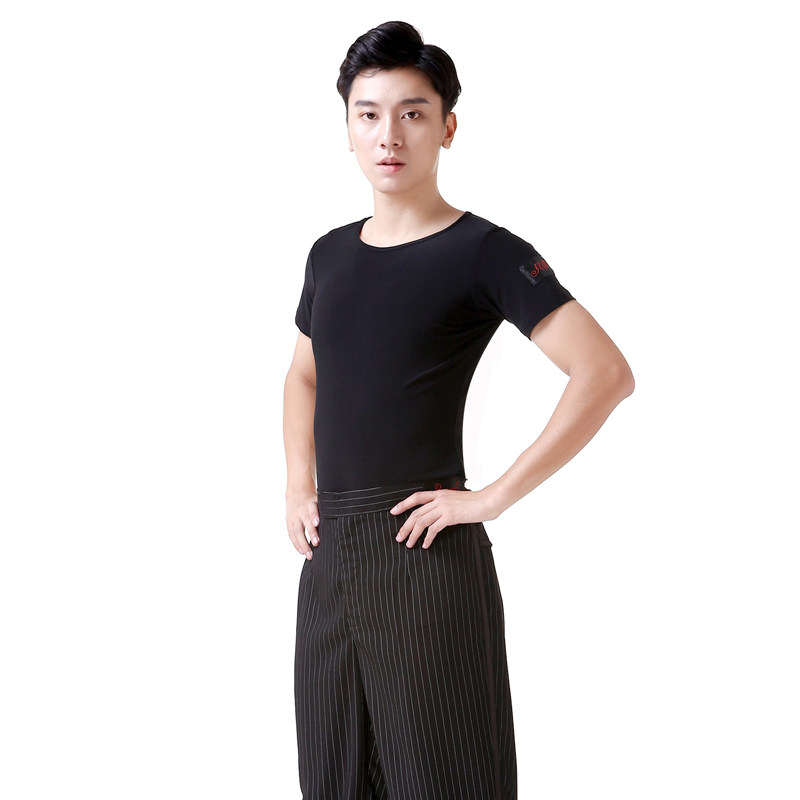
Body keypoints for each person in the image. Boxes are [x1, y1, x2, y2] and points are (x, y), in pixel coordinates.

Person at [283, 20, 635, 800]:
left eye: (412, 113)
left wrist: (491, 498)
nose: (389, 134)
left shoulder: (483, 251)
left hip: (424, 550)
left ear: (447, 126)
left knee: (446, 777)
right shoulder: (329, 255)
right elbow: (304, 376)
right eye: (369, 113)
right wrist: (298, 484)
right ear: (347, 128)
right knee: (334, 777)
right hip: (330, 556)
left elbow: (605, 372)